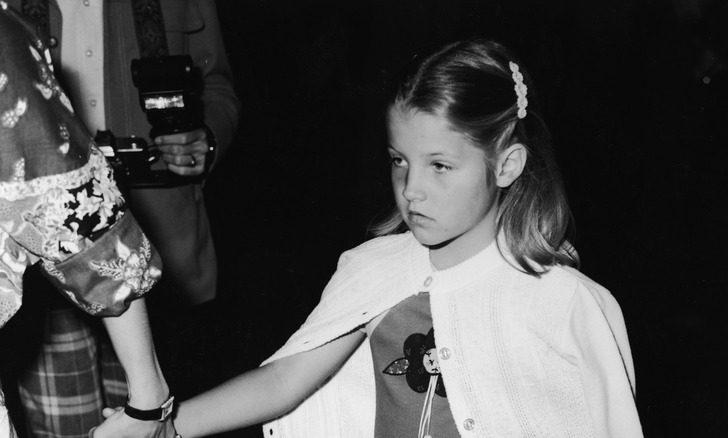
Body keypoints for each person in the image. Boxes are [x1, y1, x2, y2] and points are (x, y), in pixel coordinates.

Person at [103, 37, 643, 437]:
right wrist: (167, 426)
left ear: (507, 166)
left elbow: (609, 421)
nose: (412, 190)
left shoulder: (563, 302)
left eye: (440, 166)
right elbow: (284, 381)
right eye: (399, 162)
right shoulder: (374, 269)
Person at [1, 0, 240, 435]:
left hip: (163, 256)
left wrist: (204, 139)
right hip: (46, 282)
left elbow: (217, 85)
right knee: (66, 425)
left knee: (169, 418)